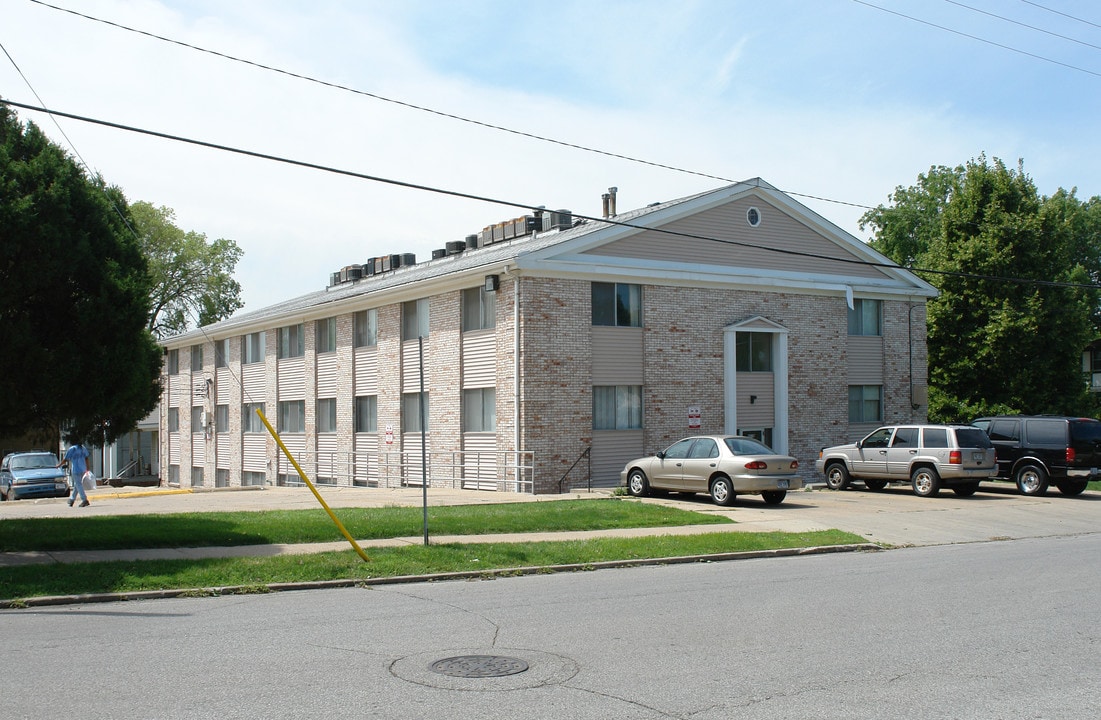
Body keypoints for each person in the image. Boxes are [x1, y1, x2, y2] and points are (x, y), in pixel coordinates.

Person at [59, 442, 91, 507]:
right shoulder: (83, 448)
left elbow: (65, 459)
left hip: (76, 469)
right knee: (77, 484)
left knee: (79, 484)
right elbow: (86, 458)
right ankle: (72, 499)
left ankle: (84, 499)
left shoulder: (72, 449)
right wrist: (87, 468)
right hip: (83, 469)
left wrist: (59, 465)